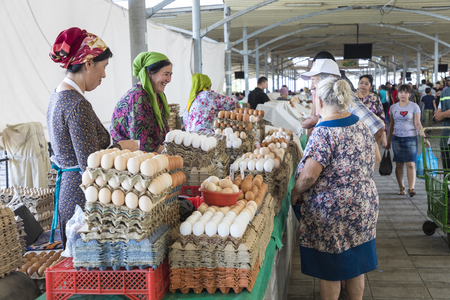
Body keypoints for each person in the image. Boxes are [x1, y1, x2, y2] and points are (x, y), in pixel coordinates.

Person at [47, 27, 137, 247]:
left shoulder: (58, 96)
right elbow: (90, 164)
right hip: (81, 198)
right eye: (103, 67)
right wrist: (120, 146)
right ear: (88, 63)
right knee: (88, 267)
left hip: (71, 191)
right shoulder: (77, 105)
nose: (104, 75)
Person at [291, 77, 378, 300]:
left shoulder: (324, 132)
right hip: (364, 204)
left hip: (333, 212)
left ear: (319, 100)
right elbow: (376, 157)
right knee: (355, 264)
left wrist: (295, 191)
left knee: (330, 268)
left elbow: (310, 175)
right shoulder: (360, 123)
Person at [300, 58, 385, 167]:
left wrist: (366, 161)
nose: (311, 86)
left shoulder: (346, 99)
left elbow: (378, 127)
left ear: (330, 79)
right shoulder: (330, 103)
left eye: (314, 80)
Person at [110, 52, 172, 153]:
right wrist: (169, 152)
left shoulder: (159, 95)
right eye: (166, 74)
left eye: (170, 75)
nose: (169, 79)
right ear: (150, 73)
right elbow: (141, 142)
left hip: (153, 156)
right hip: (131, 158)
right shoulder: (138, 96)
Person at [386, 84, 425, 197]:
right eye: (401, 92)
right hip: (397, 138)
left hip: (411, 137)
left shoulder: (414, 107)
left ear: (409, 94)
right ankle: (401, 187)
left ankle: (411, 188)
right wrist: (388, 140)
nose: (403, 94)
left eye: (405, 92)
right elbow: (392, 125)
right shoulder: (393, 108)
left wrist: (424, 136)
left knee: (411, 163)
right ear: (397, 94)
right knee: (399, 164)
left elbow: (418, 124)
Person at [356, 75, 387, 147]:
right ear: (358, 84)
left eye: (366, 84)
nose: (363, 85)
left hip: (372, 133)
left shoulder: (374, 98)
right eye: (361, 83)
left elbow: (381, 116)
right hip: (354, 134)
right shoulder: (351, 98)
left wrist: (383, 134)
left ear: (371, 86)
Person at [433, 84, 450, 169]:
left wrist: (442, 115)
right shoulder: (444, 93)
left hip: (446, 135)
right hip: (446, 137)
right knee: (446, 168)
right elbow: (438, 115)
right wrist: (443, 115)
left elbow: (440, 114)